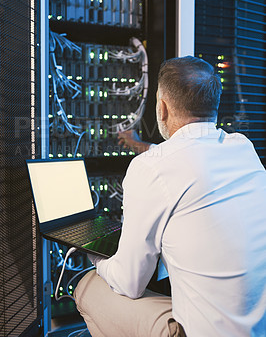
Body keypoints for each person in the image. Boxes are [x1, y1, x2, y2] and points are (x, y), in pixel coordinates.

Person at [74, 56, 266, 337]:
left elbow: (130, 282)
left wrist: (95, 255)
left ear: (161, 107)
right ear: (213, 104)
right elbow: (189, 157)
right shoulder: (243, 148)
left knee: (87, 286)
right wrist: (141, 145)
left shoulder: (151, 168)